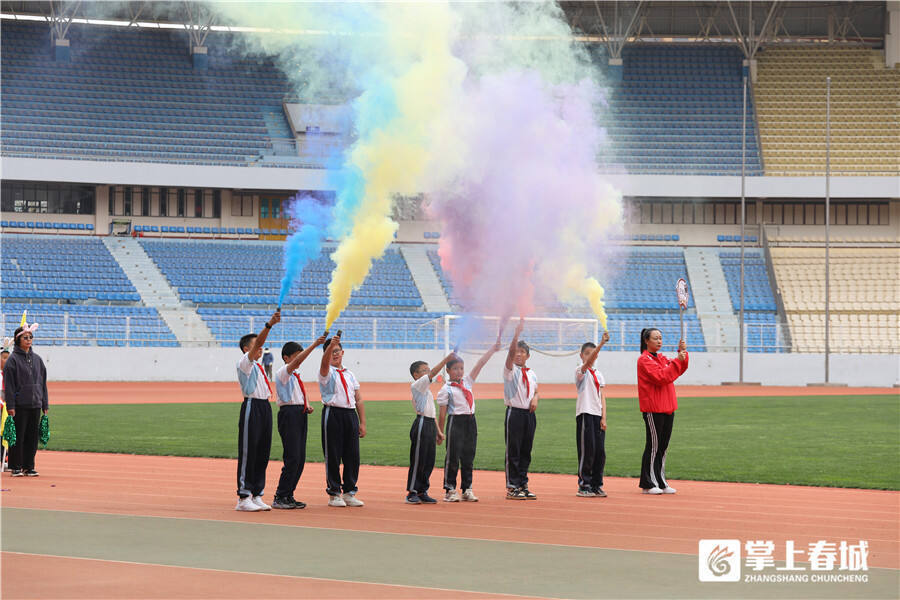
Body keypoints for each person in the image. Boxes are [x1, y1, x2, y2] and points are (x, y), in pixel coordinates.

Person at [437, 341, 501, 503]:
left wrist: (492, 349)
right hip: (455, 422)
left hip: (470, 421)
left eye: (461, 368)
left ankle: (467, 488)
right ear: (448, 370)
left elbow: (480, 363)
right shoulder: (446, 389)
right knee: (453, 456)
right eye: (455, 369)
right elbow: (442, 413)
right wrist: (440, 431)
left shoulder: (467, 382)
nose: (459, 372)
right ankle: (450, 489)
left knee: (468, 456)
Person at [271, 335, 326, 510]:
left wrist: (307, 405)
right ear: (286, 358)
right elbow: (297, 362)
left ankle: (288, 494)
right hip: (289, 414)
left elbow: (301, 391)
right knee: (292, 456)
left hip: (299, 413)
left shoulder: (295, 375)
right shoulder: (283, 372)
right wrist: (314, 345)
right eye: (295, 356)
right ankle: (280, 495)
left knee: (300, 458)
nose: (298, 360)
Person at [234, 309, 280, 512]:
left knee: (262, 451)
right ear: (246, 348)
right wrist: (269, 325)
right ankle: (244, 496)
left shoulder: (260, 367)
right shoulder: (245, 363)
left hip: (264, 407)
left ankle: (257, 493)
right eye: (256, 345)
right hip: (252, 406)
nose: (260, 348)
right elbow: (258, 344)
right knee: (248, 451)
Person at [317, 332, 367, 507]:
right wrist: (329, 346)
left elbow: (358, 398)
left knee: (352, 455)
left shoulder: (349, 374)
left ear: (343, 352)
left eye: (337, 350)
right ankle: (334, 493)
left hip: (350, 415)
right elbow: (324, 363)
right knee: (333, 454)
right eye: (332, 352)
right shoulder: (326, 372)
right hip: (333, 414)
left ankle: (349, 492)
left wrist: (362, 422)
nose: (335, 354)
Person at [637, 328, 688, 495]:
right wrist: (676, 362)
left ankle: (660, 480)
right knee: (653, 446)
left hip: (667, 407)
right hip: (654, 408)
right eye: (655, 338)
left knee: (663, 446)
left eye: (660, 338)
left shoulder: (661, 358)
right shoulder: (644, 360)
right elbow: (661, 377)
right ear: (647, 341)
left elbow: (677, 370)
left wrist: (682, 354)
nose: (659, 341)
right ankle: (648, 483)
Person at [405, 352, 453, 504]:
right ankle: (412, 491)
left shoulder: (426, 391)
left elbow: (432, 413)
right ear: (416, 375)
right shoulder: (417, 386)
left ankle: (422, 490)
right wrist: (446, 359)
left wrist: (438, 431)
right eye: (424, 370)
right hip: (420, 424)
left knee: (428, 460)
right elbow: (433, 374)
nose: (428, 372)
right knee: (418, 459)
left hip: (429, 425)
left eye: (428, 369)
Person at [3, 323, 48, 477]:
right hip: (19, 405)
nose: (29, 340)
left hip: (35, 403)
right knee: (18, 437)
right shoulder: (12, 360)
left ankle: (29, 466)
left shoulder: (38, 360)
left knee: (32, 438)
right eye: (25, 337)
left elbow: (43, 384)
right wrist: (11, 405)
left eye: (30, 337)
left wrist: (45, 403)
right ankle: (15, 466)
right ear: (18, 340)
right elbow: (9, 386)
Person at [502, 318, 539, 500]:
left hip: (529, 415)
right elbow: (509, 353)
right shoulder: (510, 370)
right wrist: (516, 334)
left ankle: (523, 483)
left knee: (526, 450)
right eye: (516, 351)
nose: (518, 354)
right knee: (513, 450)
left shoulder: (531, 373)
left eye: (522, 352)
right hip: (514, 413)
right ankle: (512, 486)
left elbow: (535, 390)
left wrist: (536, 397)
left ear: (527, 355)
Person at [574, 331, 611, 497]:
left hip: (597, 415)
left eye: (593, 353)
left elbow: (602, 395)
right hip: (585, 413)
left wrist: (604, 417)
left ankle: (596, 483)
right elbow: (588, 363)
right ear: (581, 355)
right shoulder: (580, 371)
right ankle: (584, 484)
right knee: (587, 450)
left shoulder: (599, 373)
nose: (591, 357)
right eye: (587, 354)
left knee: (599, 452)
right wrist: (601, 344)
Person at [1, 347, 11, 471]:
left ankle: (5, 458)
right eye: (4, 358)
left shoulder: (10, 374)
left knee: (6, 433)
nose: (6, 361)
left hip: (7, 409)